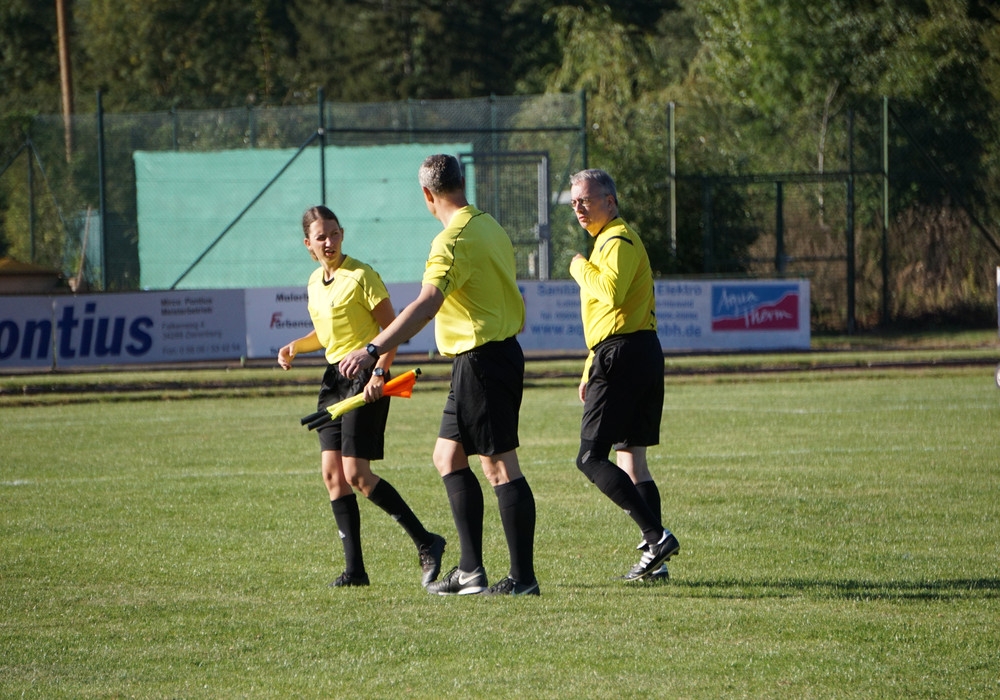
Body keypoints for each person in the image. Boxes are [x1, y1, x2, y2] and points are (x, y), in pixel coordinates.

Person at [340, 154, 539, 596]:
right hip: (485, 358)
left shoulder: (451, 240)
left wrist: (373, 349)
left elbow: (427, 303)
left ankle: (522, 579)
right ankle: (469, 571)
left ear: (427, 195)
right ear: (461, 183)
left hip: (482, 359)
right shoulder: (489, 225)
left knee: (500, 466)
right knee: (447, 457)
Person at [278, 205, 446, 589]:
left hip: (366, 377)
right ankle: (355, 572)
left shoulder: (361, 275)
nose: (329, 242)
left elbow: (392, 330)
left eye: (334, 233)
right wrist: (296, 347)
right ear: (308, 244)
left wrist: (380, 373)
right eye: (321, 237)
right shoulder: (314, 282)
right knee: (333, 475)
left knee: (357, 474)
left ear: (342, 234)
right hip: (333, 381)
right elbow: (325, 335)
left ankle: (426, 541)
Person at [567, 168, 679, 582]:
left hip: (623, 356)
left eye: (586, 200)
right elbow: (609, 316)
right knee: (632, 459)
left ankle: (656, 537)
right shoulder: (611, 240)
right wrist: (588, 368)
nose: (579, 208)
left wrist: (578, 267)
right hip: (636, 351)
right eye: (574, 202)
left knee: (589, 457)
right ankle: (656, 561)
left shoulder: (616, 239)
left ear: (610, 202)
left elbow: (610, 293)